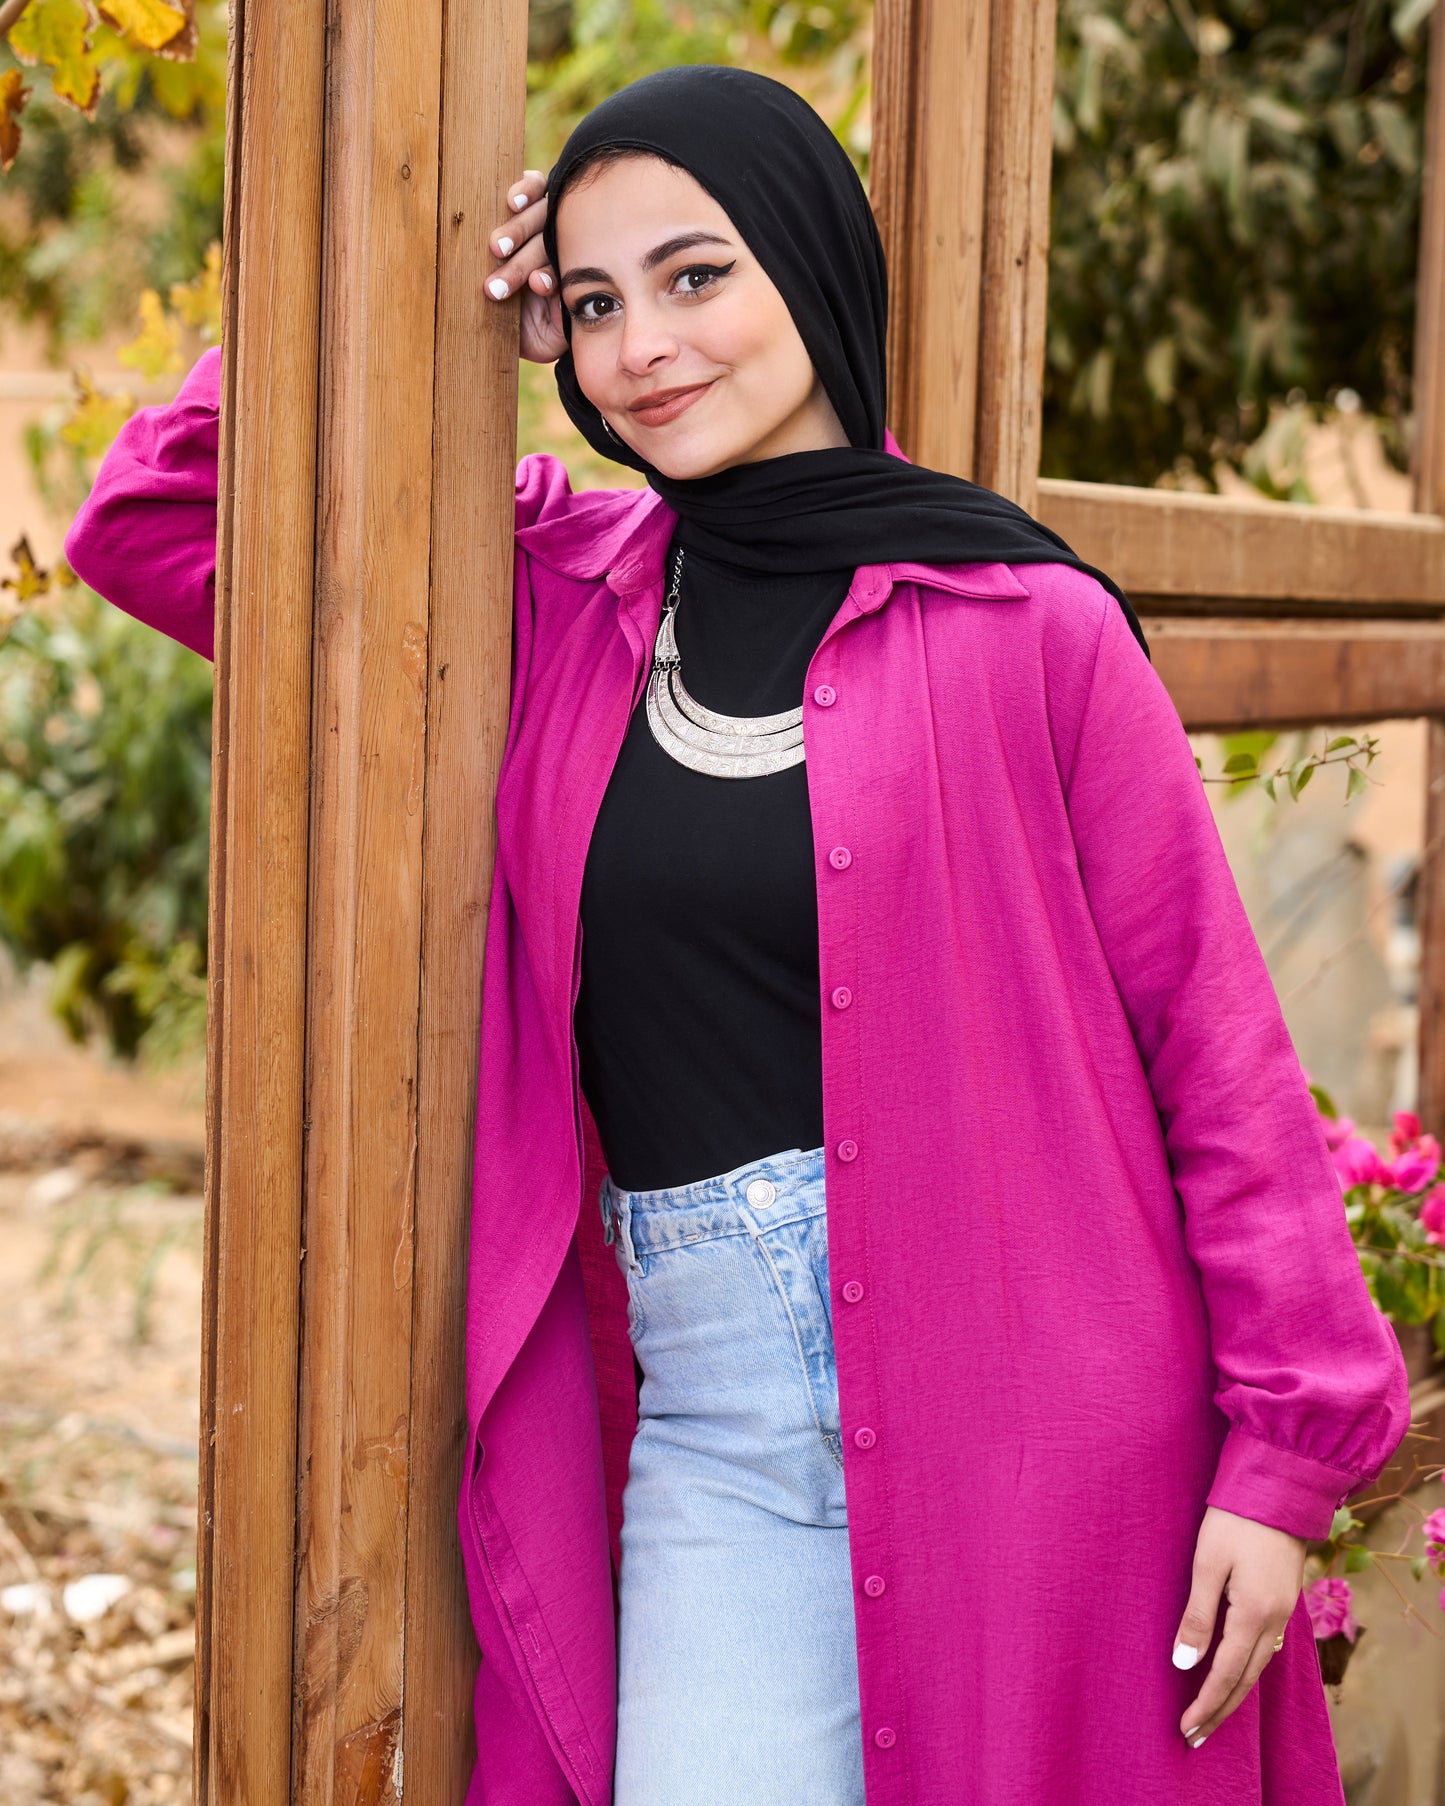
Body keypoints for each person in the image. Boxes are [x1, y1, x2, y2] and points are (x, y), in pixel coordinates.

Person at [64, 61, 1409, 1806]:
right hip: (715, 1434)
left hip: (1044, 1408)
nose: (645, 346)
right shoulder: (554, 589)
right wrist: (455, 320)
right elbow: (159, 517)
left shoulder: (1029, 623)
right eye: (600, 303)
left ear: (809, 260)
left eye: (698, 275)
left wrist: (1282, 1465)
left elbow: (1214, 1053)